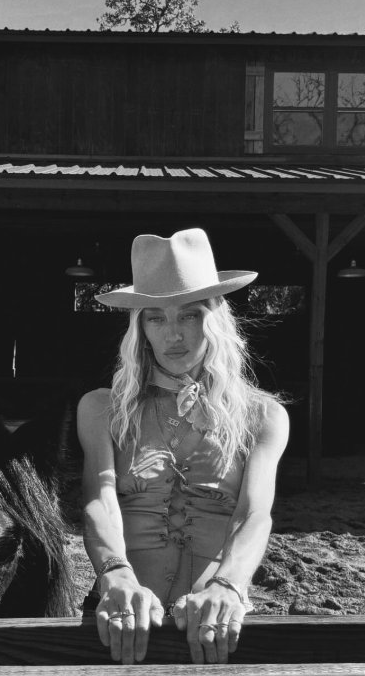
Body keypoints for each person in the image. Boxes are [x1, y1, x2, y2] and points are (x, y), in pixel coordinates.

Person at [78, 228, 289, 665]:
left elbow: (254, 514)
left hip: (220, 622)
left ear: (213, 318)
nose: (174, 335)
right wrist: (114, 576)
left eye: (189, 315)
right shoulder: (102, 409)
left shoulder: (261, 416)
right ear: (140, 329)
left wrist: (228, 585)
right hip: (122, 614)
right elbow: (100, 500)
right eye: (156, 318)